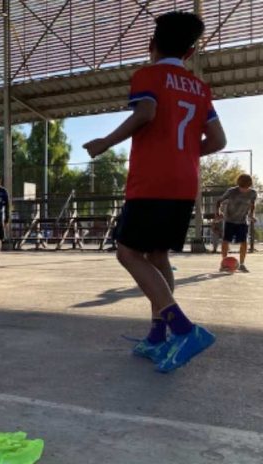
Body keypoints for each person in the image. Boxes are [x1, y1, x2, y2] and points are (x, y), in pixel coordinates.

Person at [83, 12, 227, 373]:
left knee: (127, 252)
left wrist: (105, 142)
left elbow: (146, 112)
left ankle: (182, 327)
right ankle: (158, 337)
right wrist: (185, 155)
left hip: (152, 182)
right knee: (159, 254)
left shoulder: (147, 76)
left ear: (151, 46)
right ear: (191, 52)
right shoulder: (199, 88)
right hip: (184, 184)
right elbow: (219, 141)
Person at [216, 174, 257, 272]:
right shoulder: (231, 191)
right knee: (225, 241)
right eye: (242, 187)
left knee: (244, 242)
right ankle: (224, 263)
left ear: (250, 185)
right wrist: (218, 213)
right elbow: (218, 201)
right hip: (229, 220)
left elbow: (252, 204)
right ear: (238, 184)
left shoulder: (253, 193)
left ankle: (242, 264)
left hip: (242, 221)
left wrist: (252, 215)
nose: (243, 190)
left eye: (246, 188)